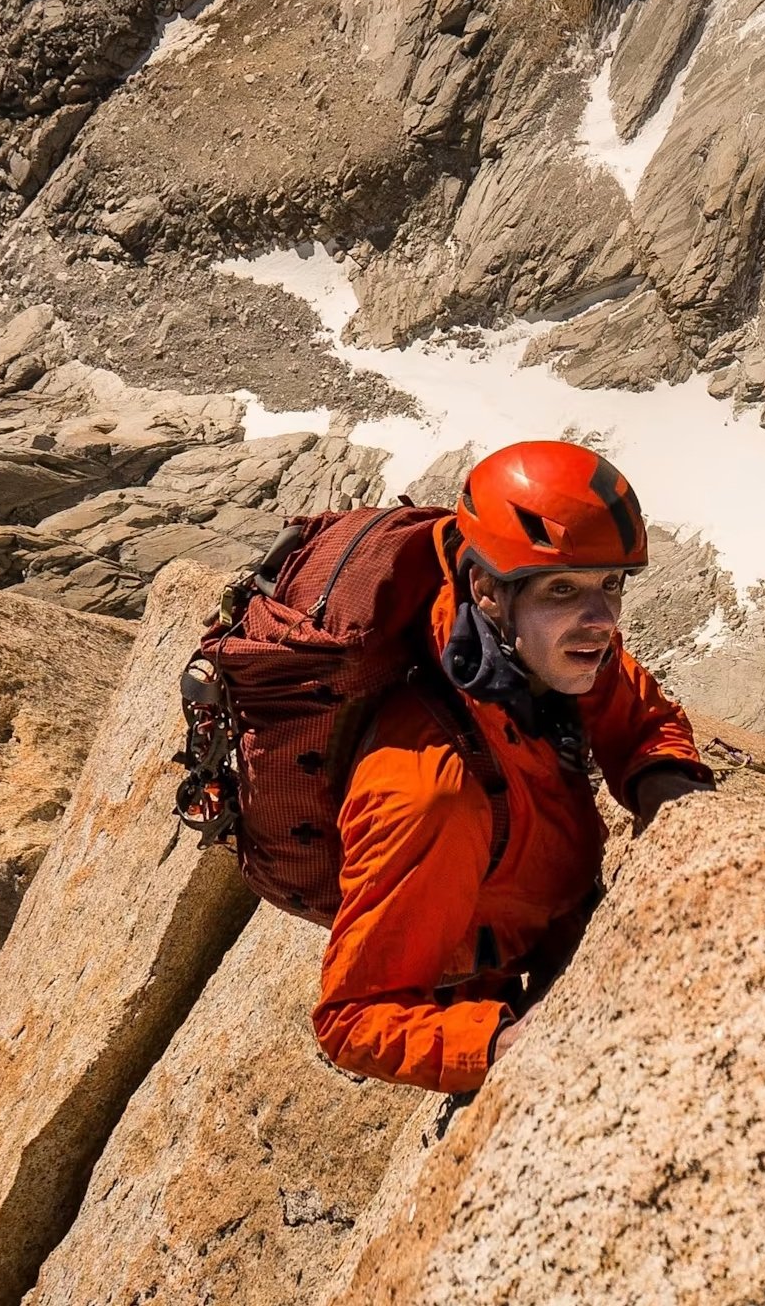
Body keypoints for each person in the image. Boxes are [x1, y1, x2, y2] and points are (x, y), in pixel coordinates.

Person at [311, 440, 712, 1092]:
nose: (602, 620)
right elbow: (351, 1019)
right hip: (508, 990)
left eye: (610, 585)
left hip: (570, 930)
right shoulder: (428, 796)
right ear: (486, 591)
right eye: (563, 589)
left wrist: (670, 792)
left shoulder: (544, 653)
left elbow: (640, 717)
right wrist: (497, 1045)